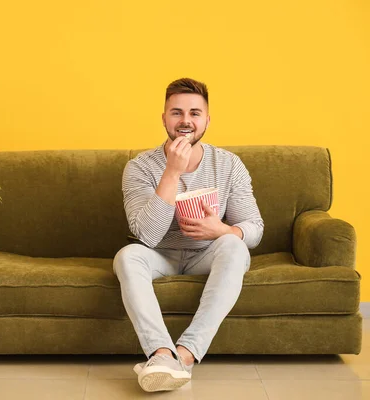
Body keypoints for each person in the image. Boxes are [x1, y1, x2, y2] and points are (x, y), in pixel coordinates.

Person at [113, 77, 264, 392]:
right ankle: (161, 352)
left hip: (206, 256)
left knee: (235, 247)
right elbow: (147, 236)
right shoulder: (140, 167)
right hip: (160, 256)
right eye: (177, 112)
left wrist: (223, 230)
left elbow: (254, 227)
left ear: (207, 120)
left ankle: (183, 356)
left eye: (195, 113)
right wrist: (172, 171)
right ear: (164, 118)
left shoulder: (228, 165)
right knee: (127, 256)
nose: (185, 121)